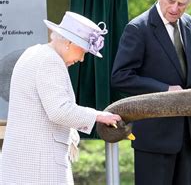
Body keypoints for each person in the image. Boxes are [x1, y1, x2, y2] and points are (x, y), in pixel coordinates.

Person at [0, 11, 122, 184]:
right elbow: (59, 111)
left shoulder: (33, 52)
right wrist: (98, 115)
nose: (81, 59)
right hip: (41, 166)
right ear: (70, 43)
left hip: (24, 164)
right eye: (84, 52)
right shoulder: (50, 61)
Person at [111, 0, 191, 185]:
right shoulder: (138, 28)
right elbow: (120, 77)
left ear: (190, 1)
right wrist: (165, 91)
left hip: (185, 137)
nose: (175, 9)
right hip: (153, 140)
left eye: (182, 4)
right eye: (171, 1)